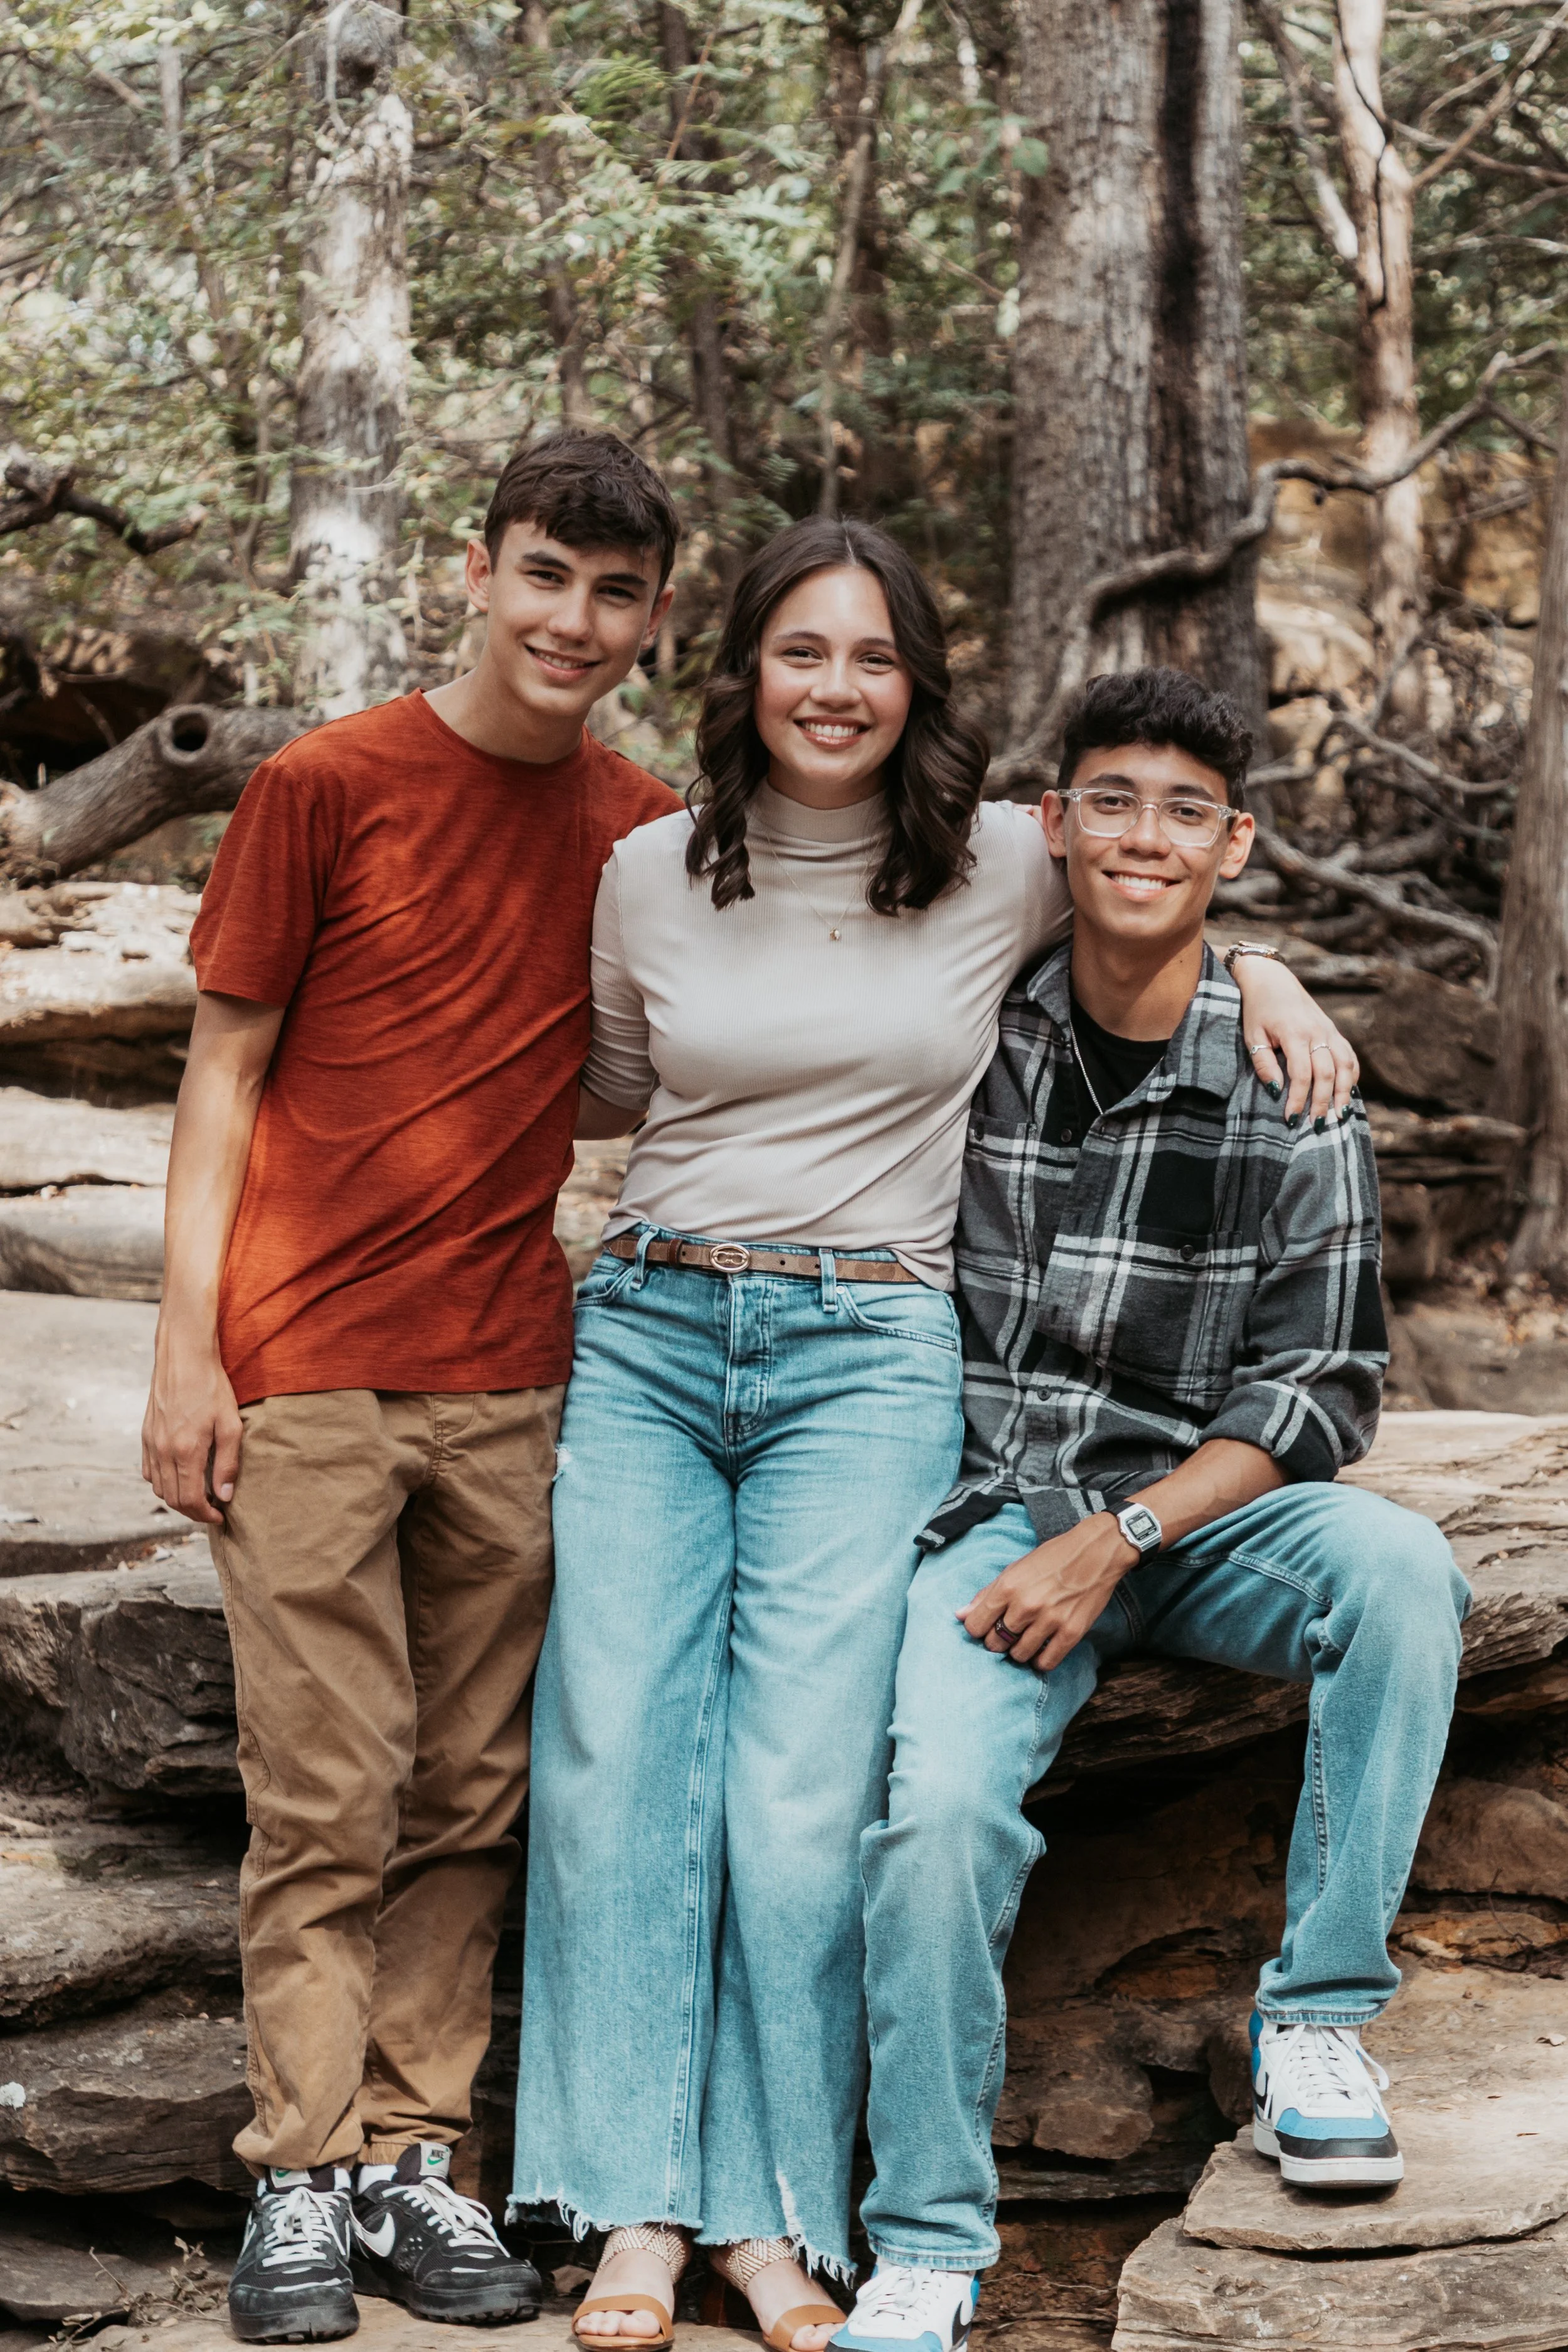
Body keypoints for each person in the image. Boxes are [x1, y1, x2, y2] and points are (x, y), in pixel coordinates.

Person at [511, 535, 1360, 2352]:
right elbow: (602, 1086)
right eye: (797, 650)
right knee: (609, 1760)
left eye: (873, 656)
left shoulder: (989, 857)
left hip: (870, 1347)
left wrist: (1271, 967)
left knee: (808, 1788)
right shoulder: (648, 867)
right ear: (739, 669)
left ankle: (770, 2217)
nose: (834, 685)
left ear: (917, 687)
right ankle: (634, 2211)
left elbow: (1159, 881)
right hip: (653, 1327)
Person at [829, 667, 1471, 2352]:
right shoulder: (967, 1031)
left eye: (1187, 808)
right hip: (987, 1507)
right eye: (1109, 797)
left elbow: (1321, 1386)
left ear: (1234, 843)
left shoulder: (1286, 1076)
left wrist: (1116, 1539)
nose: (1143, 832)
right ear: (1051, 826)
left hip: (1196, 1516)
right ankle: (927, 2237)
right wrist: (1047, 1537)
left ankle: (1317, 2021)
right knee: (941, 1815)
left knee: (1400, 1572)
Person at [140, 432, 683, 2343]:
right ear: (477, 570)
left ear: (654, 619)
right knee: (327, 1782)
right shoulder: (323, 782)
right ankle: (296, 2178)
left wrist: (1246, 967)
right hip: (301, 1364)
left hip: (510, 1372)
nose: (575, 619)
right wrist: (186, 1346)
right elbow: (220, 1070)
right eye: (547, 574)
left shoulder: (642, 827)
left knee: (467, 1785)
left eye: (615, 593)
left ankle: (409, 2163)